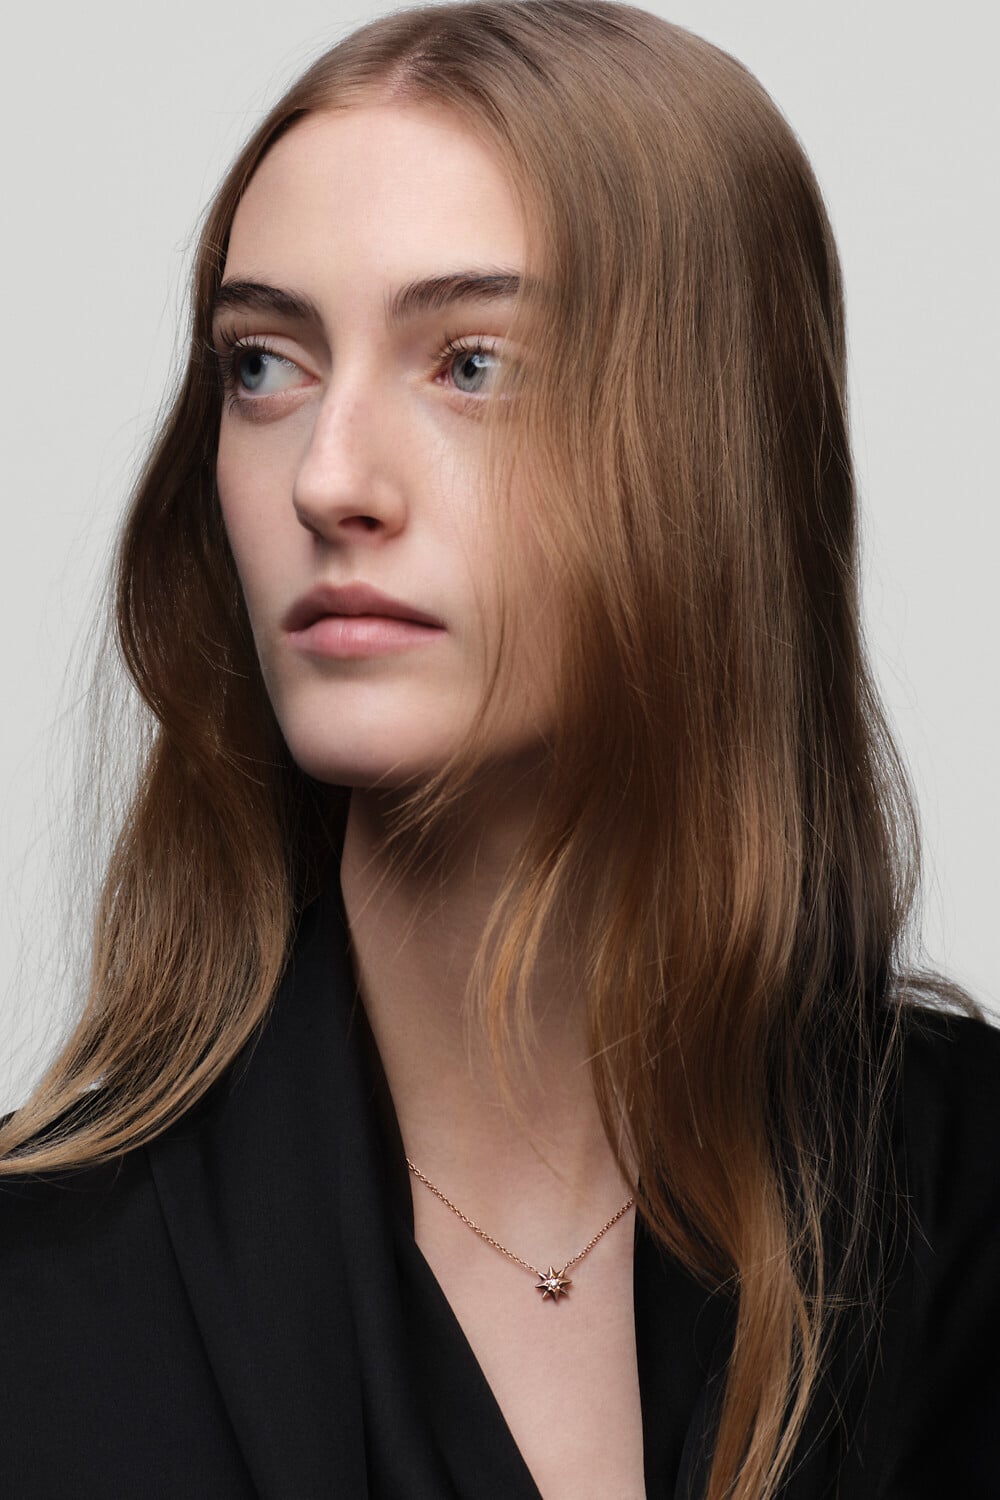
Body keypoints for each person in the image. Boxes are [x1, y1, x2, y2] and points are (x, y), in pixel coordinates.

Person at [1, 2, 997, 1496]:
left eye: (471, 365)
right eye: (265, 365)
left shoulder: (965, 1205)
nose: (328, 477)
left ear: (715, 446)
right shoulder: (44, 1295)